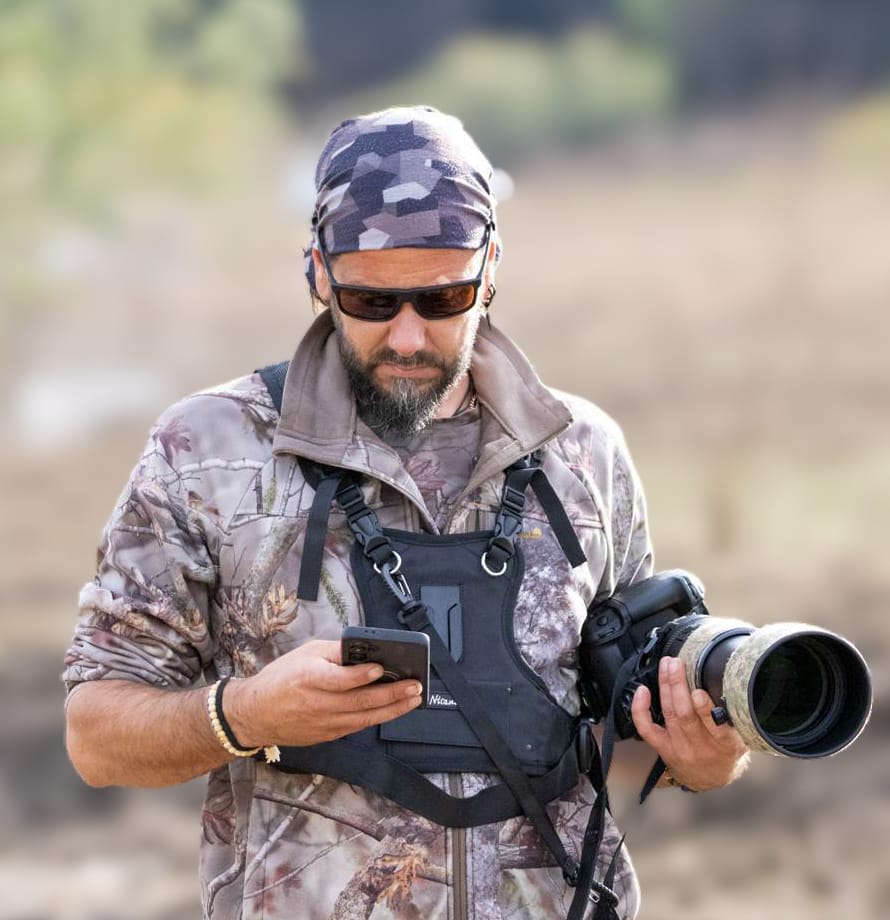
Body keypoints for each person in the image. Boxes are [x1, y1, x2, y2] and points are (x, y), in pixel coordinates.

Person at [63, 105, 749, 920]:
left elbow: (626, 740)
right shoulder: (209, 451)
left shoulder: (584, 453)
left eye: (444, 296)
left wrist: (704, 758)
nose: (410, 337)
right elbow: (95, 736)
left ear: (490, 272)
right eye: (372, 301)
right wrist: (243, 714)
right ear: (318, 274)